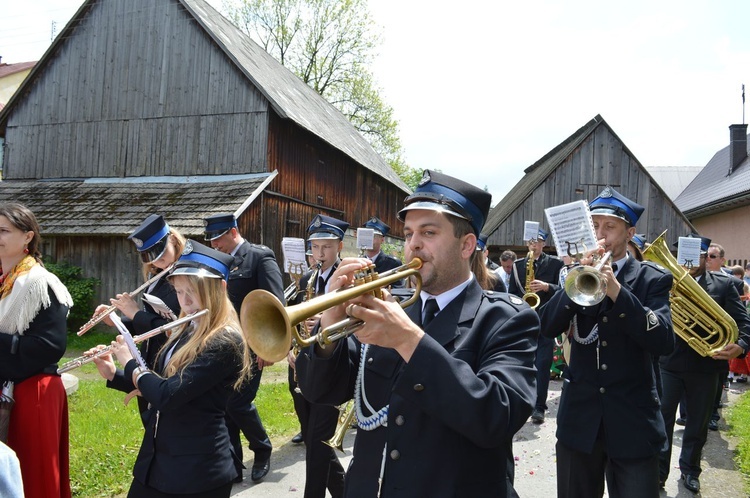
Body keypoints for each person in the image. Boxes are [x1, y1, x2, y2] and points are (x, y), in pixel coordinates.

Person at [296, 170, 538, 497]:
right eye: (409, 233)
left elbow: (496, 417)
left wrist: (409, 340)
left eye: (428, 232)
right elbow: (319, 390)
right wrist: (329, 321)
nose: (413, 244)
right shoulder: (389, 307)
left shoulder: (506, 318)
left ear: (467, 245)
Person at [538, 186, 675, 498]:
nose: (600, 234)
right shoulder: (575, 276)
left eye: (609, 227)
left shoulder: (651, 279)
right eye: (594, 225)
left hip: (633, 423)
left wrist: (616, 291)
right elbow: (546, 326)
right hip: (579, 422)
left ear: (630, 233)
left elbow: (664, 341)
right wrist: (576, 282)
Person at [90, 240, 253, 498]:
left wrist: (130, 362)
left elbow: (167, 395)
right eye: (179, 292)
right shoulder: (184, 327)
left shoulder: (225, 341)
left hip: (196, 472)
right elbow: (161, 381)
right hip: (158, 459)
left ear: (219, 289)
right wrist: (114, 374)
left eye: (193, 292)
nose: (185, 302)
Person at [658, 234, 750, 493]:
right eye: (685, 255)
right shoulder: (664, 283)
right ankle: (659, 473)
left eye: (699, 255)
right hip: (669, 363)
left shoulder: (723, 285)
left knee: (697, 424)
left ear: (706, 258)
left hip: (707, 367)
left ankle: (690, 470)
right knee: (662, 421)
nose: (692, 261)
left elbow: (744, 323)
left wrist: (741, 345)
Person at [0, 202, 74, 498]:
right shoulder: (5, 279)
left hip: (33, 391)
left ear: (27, 237)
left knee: (33, 477)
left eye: (3, 230)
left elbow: (50, 347)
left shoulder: (40, 283)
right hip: (9, 384)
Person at [204, 213, 285, 483]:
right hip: (225, 345)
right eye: (212, 240)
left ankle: (262, 449)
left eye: (218, 238)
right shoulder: (218, 261)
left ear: (233, 231)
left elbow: (276, 303)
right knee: (225, 406)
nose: (215, 244)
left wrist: (269, 347)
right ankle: (234, 466)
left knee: (238, 403)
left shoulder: (259, 256)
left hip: (253, 345)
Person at [94, 214, 183, 417]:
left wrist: (134, 313)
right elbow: (149, 321)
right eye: (151, 255)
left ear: (173, 240)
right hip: (151, 359)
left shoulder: (187, 279)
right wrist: (116, 321)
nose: (157, 260)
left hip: (173, 363)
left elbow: (174, 328)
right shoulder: (156, 275)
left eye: (161, 252)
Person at [286, 213, 348, 498]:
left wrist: (326, 319)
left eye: (326, 246)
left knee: (317, 443)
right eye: (315, 247)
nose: (319, 253)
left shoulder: (348, 278)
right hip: (303, 368)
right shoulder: (308, 279)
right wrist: (291, 349)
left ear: (340, 247)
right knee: (315, 442)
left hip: (332, 373)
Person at [508, 227, 563, 423]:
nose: (534, 245)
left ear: (543, 244)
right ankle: (522, 402)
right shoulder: (517, 265)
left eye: (538, 241)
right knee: (521, 363)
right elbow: (512, 293)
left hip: (546, 320)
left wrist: (548, 287)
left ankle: (539, 406)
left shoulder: (555, 264)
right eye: (530, 241)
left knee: (542, 364)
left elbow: (564, 290)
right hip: (524, 321)